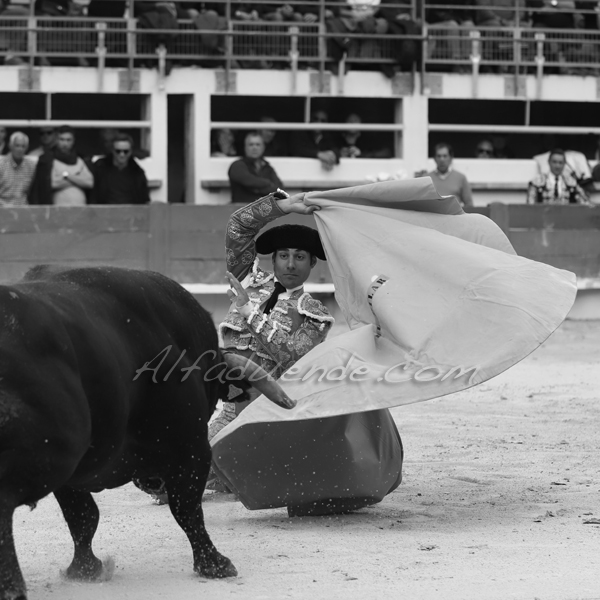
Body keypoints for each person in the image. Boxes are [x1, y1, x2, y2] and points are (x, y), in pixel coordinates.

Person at [207, 190, 334, 488]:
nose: (291, 264)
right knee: (171, 480)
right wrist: (282, 207)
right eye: (284, 256)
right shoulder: (248, 281)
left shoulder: (314, 313)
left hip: (270, 421)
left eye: (300, 257)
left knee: (238, 483)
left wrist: (249, 311)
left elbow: (291, 356)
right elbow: (238, 226)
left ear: (312, 263)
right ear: (273, 259)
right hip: (229, 413)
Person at [29, 125, 94, 205]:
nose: (65, 143)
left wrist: (67, 176)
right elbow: (50, 183)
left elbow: (89, 182)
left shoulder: (81, 160)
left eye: (68, 140)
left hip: (81, 209)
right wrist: (78, 178)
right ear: (56, 140)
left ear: (73, 141)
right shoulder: (47, 160)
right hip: (57, 211)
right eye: (62, 139)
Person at [90, 133, 151, 204]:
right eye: (118, 151)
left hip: (132, 212)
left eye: (126, 151)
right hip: (105, 212)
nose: (122, 154)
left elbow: (144, 200)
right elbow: (93, 197)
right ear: (112, 150)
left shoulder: (137, 173)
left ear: (131, 151)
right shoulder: (100, 168)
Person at [228, 132, 283, 204]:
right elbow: (248, 181)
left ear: (263, 147)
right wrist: (268, 183)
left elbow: (279, 190)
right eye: (251, 144)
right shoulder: (237, 165)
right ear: (245, 147)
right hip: (242, 210)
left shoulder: (267, 167)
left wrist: (256, 188)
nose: (254, 147)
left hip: (264, 211)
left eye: (258, 144)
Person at [419, 142, 473, 207]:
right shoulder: (426, 179)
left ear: (451, 158)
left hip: (454, 216)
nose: (442, 159)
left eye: (445, 156)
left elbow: (469, 205)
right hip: (432, 216)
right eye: (439, 156)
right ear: (434, 158)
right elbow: (420, 203)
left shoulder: (461, 178)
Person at [0, 132, 36, 206]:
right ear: (10, 146)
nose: (20, 149)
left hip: (23, 209)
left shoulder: (31, 166)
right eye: (17, 145)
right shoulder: (1, 164)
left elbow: (32, 191)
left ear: (27, 148)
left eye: (23, 146)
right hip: (3, 208)